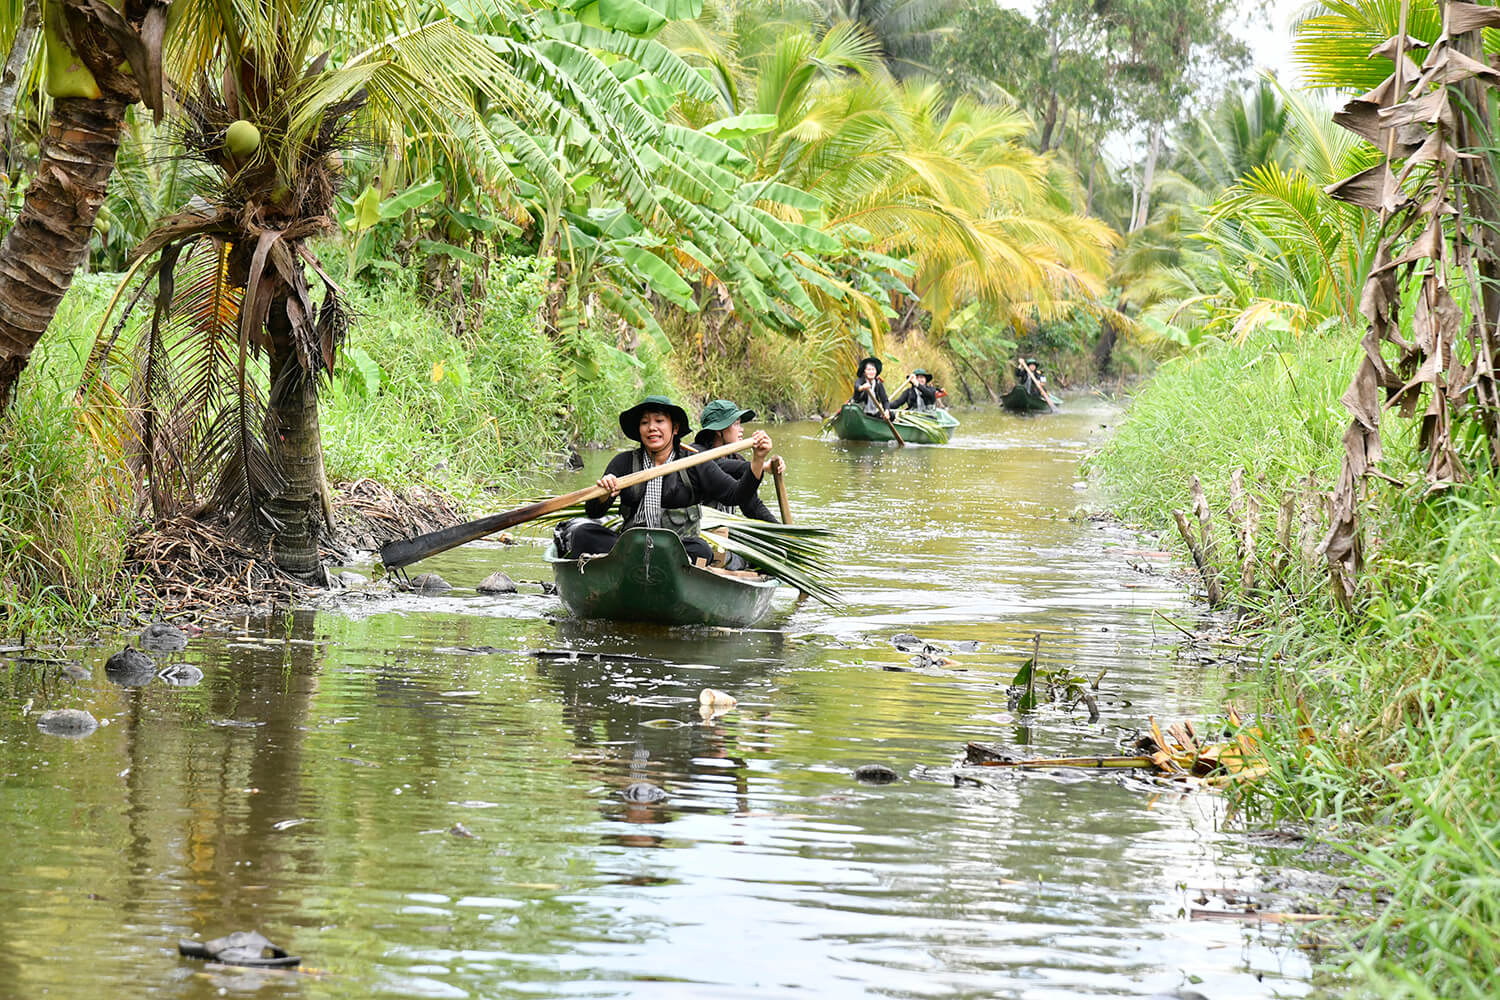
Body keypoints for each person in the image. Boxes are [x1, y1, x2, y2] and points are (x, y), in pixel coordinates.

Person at [560, 395, 772, 565]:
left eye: (659, 421)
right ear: (639, 430)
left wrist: (758, 460)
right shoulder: (624, 463)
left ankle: (662, 567)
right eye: (645, 423)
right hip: (630, 547)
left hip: (678, 549)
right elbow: (594, 512)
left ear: (675, 428)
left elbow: (735, 495)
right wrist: (604, 495)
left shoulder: (694, 462)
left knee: (702, 550)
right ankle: (632, 564)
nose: (652, 427)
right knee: (583, 533)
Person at [693, 399, 782, 522]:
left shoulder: (736, 458)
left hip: (725, 530)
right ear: (719, 430)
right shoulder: (695, 454)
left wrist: (781, 531)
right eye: (736, 424)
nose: (741, 430)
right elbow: (719, 466)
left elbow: (752, 506)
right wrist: (761, 465)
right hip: (701, 530)